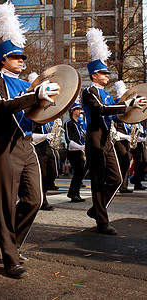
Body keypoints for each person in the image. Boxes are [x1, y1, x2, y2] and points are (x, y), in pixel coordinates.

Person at [0, 1, 59, 279]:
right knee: (5, 204)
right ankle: (10, 258)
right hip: (4, 147)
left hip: (27, 145)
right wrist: (34, 95)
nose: (21, 62)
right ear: (3, 59)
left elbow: (35, 112)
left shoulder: (29, 84)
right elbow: (2, 107)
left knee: (34, 200)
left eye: (22, 59)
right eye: (16, 58)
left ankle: (10, 242)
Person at [81, 28, 147, 235]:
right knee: (99, 180)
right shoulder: (89, 91)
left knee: (117, 178)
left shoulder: (108, 95)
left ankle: (96, 209)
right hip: (94, 136)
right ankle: (102, 221)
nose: (107, 75)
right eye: (104, 73)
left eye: (107, 72)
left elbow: (117, 115)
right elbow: (101, 110)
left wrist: (133, 108)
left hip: (107, 137)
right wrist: (126, 105)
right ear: (94, 75)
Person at [64, 102, 86, 202]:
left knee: (81, 173)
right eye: (77, 109)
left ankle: (75, 193)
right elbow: (69, 140)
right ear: (72, 111)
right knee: (79, 172)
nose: (79, 111)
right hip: (73, 150)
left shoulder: (80, 123)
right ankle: (73, 194)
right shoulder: (69, 123)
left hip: (81, 150)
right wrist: (81, 147)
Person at [130, 123, 147, 190]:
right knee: (138, 162)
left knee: (145, 161)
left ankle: (135, 179)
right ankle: (136, 182)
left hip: (141, 143)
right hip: (135, 143)